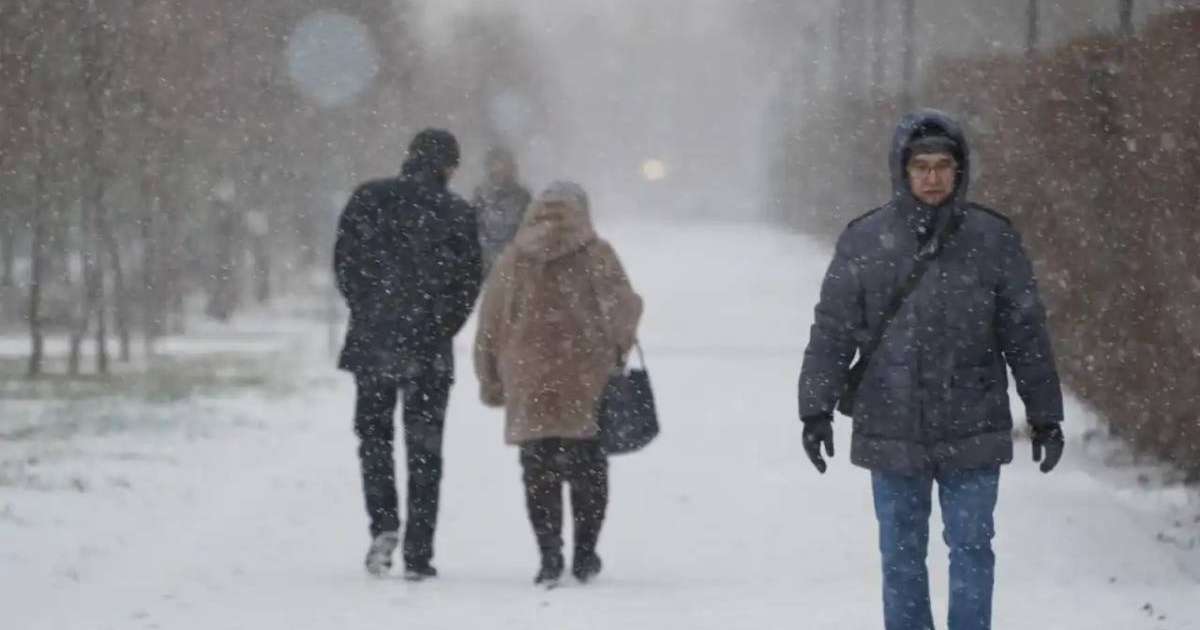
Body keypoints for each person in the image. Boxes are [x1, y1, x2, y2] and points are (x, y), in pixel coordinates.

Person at [796, 110, 1065, 630]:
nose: (933, 177)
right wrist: (815, 408)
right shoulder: (865, 240)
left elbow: (1025, 336)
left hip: (974, 420)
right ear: (903, 170)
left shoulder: (992, 239)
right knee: (900, 556)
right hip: (891, 421)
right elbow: (832, 330)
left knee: (972, 550)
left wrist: (1045, 415)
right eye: (922, 166)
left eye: (944, 166)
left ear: (960, 171)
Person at [473, 181, 642, 587]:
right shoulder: (597, 254)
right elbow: (624, 309)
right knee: (589, 470)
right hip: (586, 378)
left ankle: (549, 554)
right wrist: (617, 350)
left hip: (528, 379)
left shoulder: (513, 259)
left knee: (538, 470)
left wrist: (490, 378)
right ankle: (585, 554)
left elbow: (490, 324)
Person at [333, 128, 482, 580]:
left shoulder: (368, 198)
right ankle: (420, 550)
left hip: (374, 342)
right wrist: (440, 326)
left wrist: (369, 310)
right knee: (425, 449)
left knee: (374, 439)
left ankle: (383, 524)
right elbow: (468, 282)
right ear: (450, 167)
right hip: (428, 350)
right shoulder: (456, 212)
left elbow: (345, 264)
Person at [472, 146, 532, 276]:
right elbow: (475, 227)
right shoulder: (481, 195)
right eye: (495, 165)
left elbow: (527, 228)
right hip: (485, 264)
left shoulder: (522, 197)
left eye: (504, 165)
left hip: (514, 264)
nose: (500, 170)